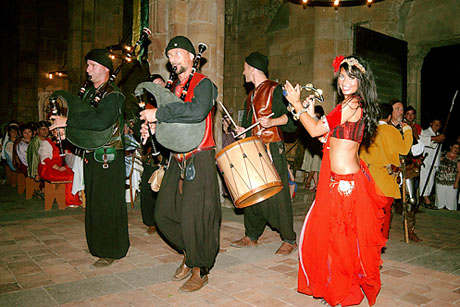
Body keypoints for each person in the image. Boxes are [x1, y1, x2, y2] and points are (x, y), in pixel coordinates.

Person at [284, 55, 387, 307]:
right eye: (342, 76)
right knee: (337, 240)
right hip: (344, 182)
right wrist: (309, 115)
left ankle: (343, 290)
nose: (345, 81)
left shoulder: (351, 104)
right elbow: (330, 139)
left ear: (361, 80)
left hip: (345, 185)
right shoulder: (350, 105)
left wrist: (297, 105)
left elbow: (317, 130)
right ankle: (339, 286)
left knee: (338, 240)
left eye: (351, 77)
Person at [140, 36, 219, 292]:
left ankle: (200, 268)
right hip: (177, 158)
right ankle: (189, 251)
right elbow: (174, 124)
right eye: (170, 55)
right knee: (163, 214)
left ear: (191, 56)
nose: (173, 60)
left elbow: (196, 112)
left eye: (177, 54)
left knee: (195, 217)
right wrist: (153, 127)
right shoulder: (173, 88)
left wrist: (159, 113)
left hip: (200, 156)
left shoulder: (204, 84)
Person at [50, 48, 129, 268]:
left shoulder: (113, 95)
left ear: (105, 69)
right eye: (87, 65)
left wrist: (68, 122)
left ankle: (112, 249)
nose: (88, 70)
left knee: (108, 203)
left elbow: (100, 121)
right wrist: (68, 132)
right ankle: (97, 245)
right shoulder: (87, 94)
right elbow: (85, 125)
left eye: (92, 65)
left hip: (109, 156)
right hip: (92, 155)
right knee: (94, 201)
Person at [231, 51, 298, 256]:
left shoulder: (275, 91)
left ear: (252, 68)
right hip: (254, 149)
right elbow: (247, 126)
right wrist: (238, 131)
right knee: (253, 192)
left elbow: (293, 119)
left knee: (278, 193)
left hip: (271, 148)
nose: (243, 73)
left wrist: (272, 122)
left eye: (244, 68)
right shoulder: (251, 96)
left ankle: (289, 239)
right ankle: (251, 235)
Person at [360, 103, 413, 240]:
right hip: (385, 180)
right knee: (384, 212)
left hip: (367, 178)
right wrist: (407, 130)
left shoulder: (366, 130)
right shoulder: (392, 132)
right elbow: (405, 149)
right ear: (389, 117)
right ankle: (380, 241)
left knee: (367, 212)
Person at [419, 118, 445, 208]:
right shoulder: (425, 132)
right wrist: (436, 139)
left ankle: (427, 197)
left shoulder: (439, 134)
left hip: (434, 161)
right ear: (431, 124)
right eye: (435, 125)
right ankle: (425, 199)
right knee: (425, 179)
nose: (437, 127)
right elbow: (423, 141)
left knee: (430, 181)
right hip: (427, 160)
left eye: (438, 125)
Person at [300, 105, 324, 191]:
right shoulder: (309, 122)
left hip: (318, 146)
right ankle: (315, 184)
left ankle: (310, 181)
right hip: (311, 145)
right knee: (311, 166)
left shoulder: (321, 122)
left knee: (315, 166)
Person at [435, 142, 459, 210]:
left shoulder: (458, 158)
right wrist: (439, 160)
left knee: (451, 200)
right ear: (451, 147)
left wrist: (456, 183)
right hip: (440, 180)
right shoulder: (443, 154)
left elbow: (459, 172)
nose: (456, 149)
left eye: (457, 148)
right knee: (440, 199)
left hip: (451, 181)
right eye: (455, 147)